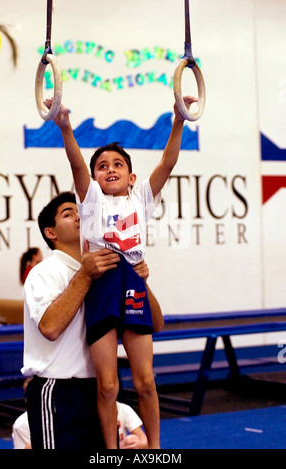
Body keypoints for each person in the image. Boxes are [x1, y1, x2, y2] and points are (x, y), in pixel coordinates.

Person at [46, 95, 196, 449]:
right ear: (95, 178)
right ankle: (111, 452)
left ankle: (155, 448)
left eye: (117, 165)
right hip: (101, 285)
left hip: (132, 282)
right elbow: (76, 164)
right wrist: (66, 127)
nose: (109, 169)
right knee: (108, 385)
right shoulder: (91, 200)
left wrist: (178, 122)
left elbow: (167, 162)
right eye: (102, 165)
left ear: (131, 177)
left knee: (145, 381)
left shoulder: (141, 198)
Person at [21, 191, 163, 450]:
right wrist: (85, 274)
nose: (78, 216)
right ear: (50, 233)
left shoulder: (108, 268)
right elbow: (51, 327)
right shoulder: (44, 272)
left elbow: (154, 324)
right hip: (58, 391)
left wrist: (141, 280)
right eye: (68, 214)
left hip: (99, 392)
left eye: (79, 211)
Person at [12, 401, 147, 450]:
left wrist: (137, 444)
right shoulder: (22, 424)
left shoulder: (123, 409)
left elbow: (144, 441)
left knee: (133, 439)